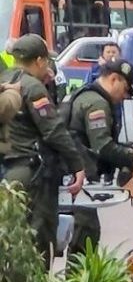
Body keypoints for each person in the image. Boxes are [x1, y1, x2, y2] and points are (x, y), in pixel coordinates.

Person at [2, 35, 85, 264]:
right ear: (39, 60)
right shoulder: (32, 87)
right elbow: (53, 130)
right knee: (40, 233)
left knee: (11, 233)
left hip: (8, 170)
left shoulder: (5, 81)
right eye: (47, 62)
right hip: (32, 173)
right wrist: (77, 164)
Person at [66, 59, 133, 257]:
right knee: (86, 236)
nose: (125, 96)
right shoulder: (97, 104)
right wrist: (132, 155)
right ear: (114, 79)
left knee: (84, 234)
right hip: (80, 179)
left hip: (73, 175)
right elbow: (103, 147)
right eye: (126, 90)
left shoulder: (86, 94)